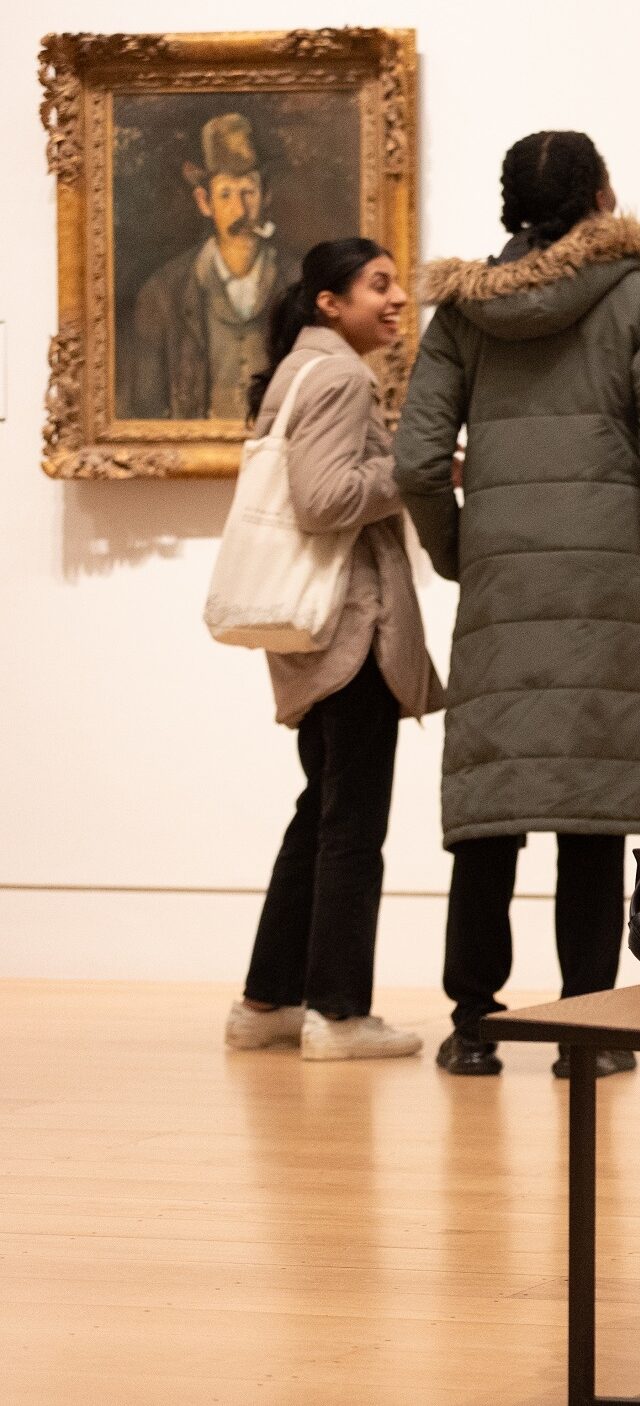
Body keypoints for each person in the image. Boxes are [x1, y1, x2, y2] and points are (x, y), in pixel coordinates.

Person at [394, 131, 640, 1079]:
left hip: (501, 581)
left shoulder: (461, 318)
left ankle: (475, 1023)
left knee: (491, 808)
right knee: (592, 813)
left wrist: (460, 552)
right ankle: (586, 1030)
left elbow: (413, 461)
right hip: (613, 583)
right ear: (603, 194)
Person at [226, 237, 443, 1060]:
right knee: (352, 824)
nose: (394, 300)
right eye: (377, 286)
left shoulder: (299, 369)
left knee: (317, 815)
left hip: (310, 634)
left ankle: (267, 1003)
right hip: (351, 631)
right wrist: (425, 474)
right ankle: (339, 1015)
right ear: (329, 301)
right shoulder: (344, 377)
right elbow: (324, 500)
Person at [126, 113, 299, 420]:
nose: (240, 211)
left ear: (266, 195)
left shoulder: (298, 281)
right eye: (225, 195)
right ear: (204, 202)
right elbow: (146, 409)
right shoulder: (164, 293)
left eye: (248, 192)